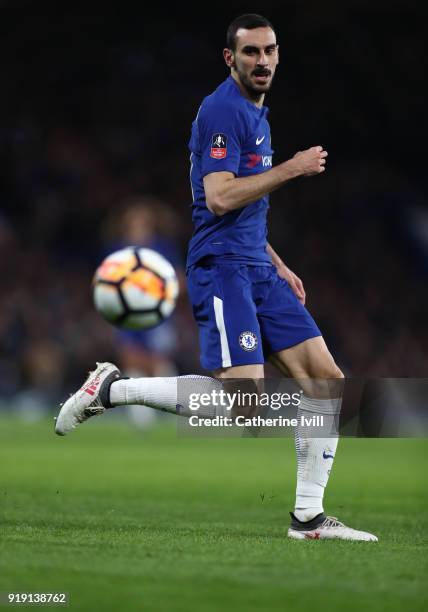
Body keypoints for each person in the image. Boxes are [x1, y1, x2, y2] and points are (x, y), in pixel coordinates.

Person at [55, 14, 377, 542]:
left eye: (270, 50)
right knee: (245, 403)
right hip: (224, 268)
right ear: (230, 58)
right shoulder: (224, 109)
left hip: (255, 266)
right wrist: (293, 169)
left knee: (327, 382)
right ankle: (112, 389)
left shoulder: (256, 113)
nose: (263, 60)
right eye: (251, 52)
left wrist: (276, 261)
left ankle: (308, 520)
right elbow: (220, 197)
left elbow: (242, 205)